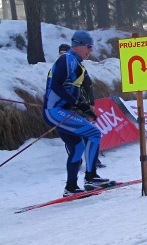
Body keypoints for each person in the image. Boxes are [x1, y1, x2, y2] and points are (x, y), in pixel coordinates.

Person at [43, 30, 113, 197]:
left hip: (61, 110)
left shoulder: (76, 62)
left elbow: (73, 90)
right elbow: (57, 86)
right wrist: (77, 104)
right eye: (89, 47)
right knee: (94, 133)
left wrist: (85, 108)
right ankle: (91, 178)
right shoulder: (67, 60)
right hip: (55, 112)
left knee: (77, 146)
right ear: (79, 45)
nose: (91, 50)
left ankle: (71, 187)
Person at [58, 44, 106, 169]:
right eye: (60, 54)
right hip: (64, 109)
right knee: (69, 135)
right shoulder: (58, 69)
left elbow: (88, 86)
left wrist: (90, 104)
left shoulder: (78, 68)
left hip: (79, 106)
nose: (63, 56)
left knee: (87, 132)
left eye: (65, 53)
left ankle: (94, 160)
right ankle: (76, 160)